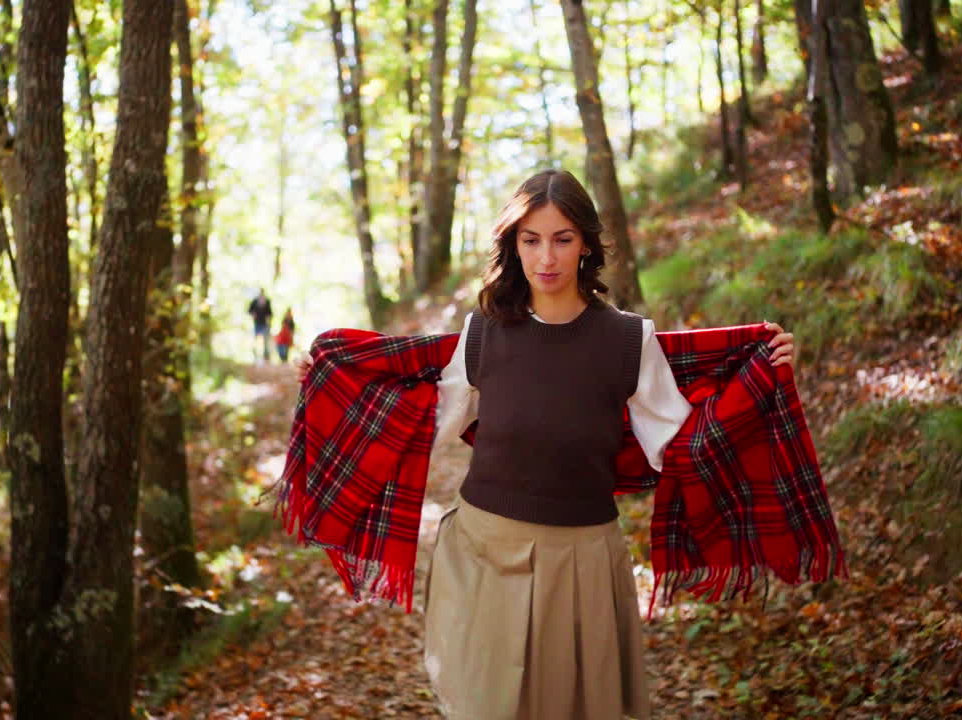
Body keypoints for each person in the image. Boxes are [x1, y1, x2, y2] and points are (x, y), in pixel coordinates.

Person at [284, 170, 844, 720]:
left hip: (583, 561)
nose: (546, 258)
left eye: (562, 239)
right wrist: (331, 378)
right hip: (484, 553)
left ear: (586, 246)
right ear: (514, 246)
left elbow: (678, 446)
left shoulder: (629, 340)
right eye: (531, 240)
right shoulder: (482, 332)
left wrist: (759, 383)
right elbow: (422, 421)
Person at [248, 288, 273, 363]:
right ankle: (255, 356)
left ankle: (266, 357)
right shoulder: (255, 301)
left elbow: (270, 313)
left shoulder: (267, 301)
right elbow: (249, 310)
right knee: (255, 340)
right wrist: (253, 314)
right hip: (256, 323)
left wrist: (268, 321)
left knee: (265, 341)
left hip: (265, 324)